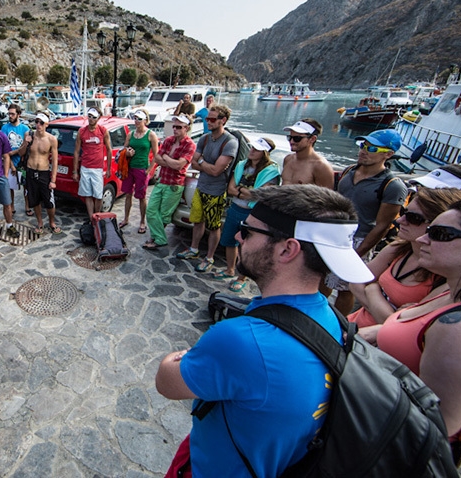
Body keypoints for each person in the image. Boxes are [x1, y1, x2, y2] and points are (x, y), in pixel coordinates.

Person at [156, 184, 374, 477]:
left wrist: (187, 353)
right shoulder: (332, 317)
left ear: (287, 249)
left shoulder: (241, 341)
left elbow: (167, 382)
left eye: (247, 231)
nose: (236, 236)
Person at [375, 198, 461, 460]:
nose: (421, 240)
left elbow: (436, 425)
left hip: (393, 451)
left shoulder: (460, 328)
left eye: (441, 235)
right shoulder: (448, 294)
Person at [347, 187, 461, 327]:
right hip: (353, 324)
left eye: (414, 218)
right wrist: (382, 309)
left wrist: (372, 290)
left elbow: (402, 326)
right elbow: (355, 280)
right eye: (404, 212)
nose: (400, 220)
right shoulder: (400, 249)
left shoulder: (446, 276)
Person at [330, 129, 409, 314]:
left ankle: (339, 321)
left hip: (359, 239)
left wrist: (360, 252)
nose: (363, 151)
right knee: (323, 278)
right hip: (334, 234)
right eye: (363, 145)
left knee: (346, 287)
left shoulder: (392, 185)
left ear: (388, 154)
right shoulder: (349, 171)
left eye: (372, 148)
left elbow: (382, 225)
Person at [208, 137, 280, 292]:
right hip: (235, 208)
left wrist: (241, 191)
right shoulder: (242, 165)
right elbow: (231, 189)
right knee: (229, 240)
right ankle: (230, 269)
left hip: (252, 213)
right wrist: (244, 192)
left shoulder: (271, 171)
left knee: (247, 245)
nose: (251, 151)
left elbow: (259, 194)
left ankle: (242, 277)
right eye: (251, 148)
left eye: (256, 149)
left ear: (264, 153)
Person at [177, 105, 238, 273]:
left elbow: (216, 170)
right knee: (197, 220)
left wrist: (202, 162)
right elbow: (194, 162)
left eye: (212, 119)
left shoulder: (230, 142)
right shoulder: (204, 138)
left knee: (214, 226)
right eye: (207, 119)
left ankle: (209, 257)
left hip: (216, 192)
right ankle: (194, 249)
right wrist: (205, 165)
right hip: (201, 187)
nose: (208, 122)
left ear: (223, 120)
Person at [143, 115, 196, 250]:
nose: (175, 129)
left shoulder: (189, 145)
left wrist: (166, 157)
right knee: (151, 210)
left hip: (174, 184)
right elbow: (157, 158)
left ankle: (156, 238)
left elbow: (178, 165)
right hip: (162, 180)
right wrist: (170, 161)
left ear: (187, 128)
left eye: (179, 127)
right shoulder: (169, 140)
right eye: (174, 126)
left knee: (164, 215)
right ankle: (159, 237)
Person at [119, 109, 158, 234]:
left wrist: (149, 170)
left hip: (141, 168)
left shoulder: (151, 135)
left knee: (141, 196)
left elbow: (156, 155)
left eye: (139, 119)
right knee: (128, 194)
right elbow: (124, 149)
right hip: (129, 168)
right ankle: (126, 218)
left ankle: (142, 221)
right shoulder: (131, 134)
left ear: (145, 120)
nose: (136, 121)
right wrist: (127, 152)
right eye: (135, 118)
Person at [24, 112, 61, 234]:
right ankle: (40, 222)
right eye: (36, 122)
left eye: (41, 123)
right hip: (31, 171)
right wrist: (26, 143)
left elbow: (55, 161)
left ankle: (51, 222)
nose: (38, 125)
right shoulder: (29, 135)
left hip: (44, 172)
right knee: (34, 200)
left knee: (49, 201)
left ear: (46, 124)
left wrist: (53, 180)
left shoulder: (51, 139)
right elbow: (21, 153)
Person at [72, 106, 112, 218]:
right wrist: (75, 171)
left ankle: (97, 215)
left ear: (98, 118)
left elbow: (109, 150)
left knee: (98, 195)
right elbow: (76, 151)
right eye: (89, 116)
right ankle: (91, 217)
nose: (91, 119)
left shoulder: (103, 131)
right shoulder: (81, 131)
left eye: (93, 117)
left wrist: (108, 168)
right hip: (85, 167)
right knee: (87, 194)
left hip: (98, 168)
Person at [280, 119, 335, 188]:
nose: (291, 141)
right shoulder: (288, 159)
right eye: (289, 137)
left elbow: (327, 197)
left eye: (297, 138)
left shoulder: (321, 166)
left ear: (312, 139)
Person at [1, 103, 30, 215]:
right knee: (10, 186)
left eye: (13, 114)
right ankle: (11, 206)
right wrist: (11, 163)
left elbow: (25, 147)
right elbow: (4, 148)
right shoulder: (5, 128)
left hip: (22, 161)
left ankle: (27, 206)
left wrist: (16, 151)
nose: (10, 116)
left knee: (25, 186)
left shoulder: (24, 128)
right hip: (9, 161)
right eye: (9, 114)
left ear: (18, 114)